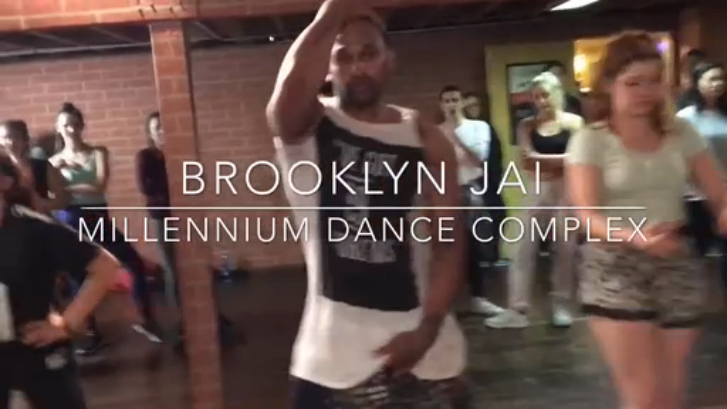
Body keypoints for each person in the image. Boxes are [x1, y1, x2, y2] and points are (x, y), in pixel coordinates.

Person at [267, 1, 469, 407]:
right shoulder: (310, 126)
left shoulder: (424, 136)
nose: (358, 67)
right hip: (332, 357)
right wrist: (333, 9)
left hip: (425, 352)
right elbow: (284, 105)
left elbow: (448, 239)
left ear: (389, 61)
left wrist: (429, 328)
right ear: (328, 69)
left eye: (369, 54)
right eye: (343, 57)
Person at [566, 32, 727, 409]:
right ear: (609, 84)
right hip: (615, 265)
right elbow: (586, 216)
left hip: (676, 261)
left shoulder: (681, 132)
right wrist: (636, 236)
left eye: (653, 81)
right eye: (633, 83)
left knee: (669, 393)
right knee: (642, 395)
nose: (645, 92)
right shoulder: (591, 139)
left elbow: (719, 194)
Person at [0, 151, 118, 409]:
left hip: (36, 352)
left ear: (5, 182)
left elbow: (105, 267)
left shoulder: (33, 228)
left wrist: (66, 324)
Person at [49, 102, 161, 354]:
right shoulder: (53, 161)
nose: (71, 129)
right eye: (66, 125)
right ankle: (90, 332)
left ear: (82, 126)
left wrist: (64, 185)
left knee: (134, 263)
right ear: (58, 128)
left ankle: (145, 319)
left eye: (75, 124)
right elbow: (58, 197)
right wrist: (68, 187)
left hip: (98, 215)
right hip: (72, 218)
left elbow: (99, 185)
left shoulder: (97, 152)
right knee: (80, 275)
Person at [486, 71, 583, 329]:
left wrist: (546, 160)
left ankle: (561, 305)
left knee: (565, 249)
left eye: (545, 95)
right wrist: (562, 160)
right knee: (521, 247)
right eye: (536, 96)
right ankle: (517, 309)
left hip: (568, 190)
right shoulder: (526, 125)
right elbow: (527, 160)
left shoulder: (574, 123)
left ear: (557, 94)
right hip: (537, 188)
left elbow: (579, 159)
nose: (541, 101)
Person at [438, 85, 504, 316]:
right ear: (441, 105)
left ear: (462, 102)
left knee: (475, 244)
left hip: (472, 190)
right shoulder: (435, 132)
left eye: (455, 99)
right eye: (447, 101)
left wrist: (455, 135)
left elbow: (479, 158)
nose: (451, 104)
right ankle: (450, 300)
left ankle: (478, 297)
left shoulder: (478, 127)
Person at [677, 62, 727, 289]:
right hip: (695, 190)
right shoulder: (686, 117)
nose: (717, 84)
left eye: (721, 79)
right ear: (698, 84)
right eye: (711, 79)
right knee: (698, 247)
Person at [136, 112, 179, 312]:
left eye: (164, 126)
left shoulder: (179, 152)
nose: (162, 131)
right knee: (172, 267)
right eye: (156, 128)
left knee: (192, 266)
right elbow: (146, 187)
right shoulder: (146, 156)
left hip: (186, 214)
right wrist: (171, 184)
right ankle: (180, 315)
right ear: (150, 133)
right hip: (162, 215)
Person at [462, 92, 507, 263]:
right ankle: (478, 259)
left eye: (475, 105)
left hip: (490, 181)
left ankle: (492, 255)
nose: (473, 109)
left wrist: (496, 176)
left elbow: (496, 155)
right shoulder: (461, 130)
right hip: (471, 182)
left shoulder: (487, 128)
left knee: (498, 215)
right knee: (473, 221)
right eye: (469, 106)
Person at [0, 120, 68, 213]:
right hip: (8, 218)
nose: (11, 142)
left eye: (16, 137)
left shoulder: (43, 166)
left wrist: (44, 205)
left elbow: (62, 199)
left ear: (25, 139)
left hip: (38, 217)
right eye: (5, 138)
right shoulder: (2, 167)